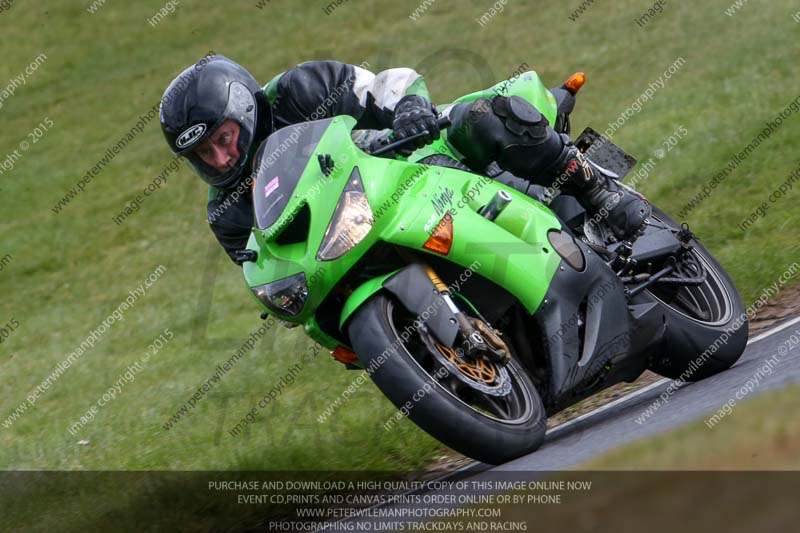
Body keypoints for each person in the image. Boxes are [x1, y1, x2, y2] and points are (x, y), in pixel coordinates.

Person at [159, 55, 650, 263]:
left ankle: (594, 187)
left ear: (244, 110)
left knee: (481, 117)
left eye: (222, 138)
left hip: (420, 157)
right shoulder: (225, 211)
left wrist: (411, 109)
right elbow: (263, 266)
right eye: (205, 153)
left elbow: (385, 83)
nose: (221, 158)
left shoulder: (299, 89)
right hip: (360, 236)